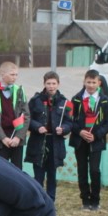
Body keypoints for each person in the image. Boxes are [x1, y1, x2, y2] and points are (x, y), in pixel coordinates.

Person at [68, 69, 108, 211]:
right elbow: (70, 120)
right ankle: (85, 200)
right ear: (84, 82)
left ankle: (95, 200)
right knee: (82, 170)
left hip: (96, 141)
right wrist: (79, 131)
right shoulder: (76, 99)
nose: (91, 85)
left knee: (94, 170)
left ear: (99, 83)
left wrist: (97, 135)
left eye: (94, 82)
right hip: (80, 140)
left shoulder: (104, 100)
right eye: (88, 82)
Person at [25, 71, 72, 201]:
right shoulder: (35, 101)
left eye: (54, 83)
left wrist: (63, 129)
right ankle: (39, 201)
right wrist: (37, 127)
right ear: (44, 84)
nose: (51, 86)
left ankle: (51, 201)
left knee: (52, 174)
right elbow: (27, 119)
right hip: (38, 141)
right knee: (38, 174)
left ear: (58, 84)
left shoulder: (64, 102)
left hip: (55, 142)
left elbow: (69, 122)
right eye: (48, 83)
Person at [0, 61, 29, 169]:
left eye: (16, 74)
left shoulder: (20, 91)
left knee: (17, 169)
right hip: (1, 138)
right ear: (2, 74)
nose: (14, 77)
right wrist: (3, 138)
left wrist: (18, 137)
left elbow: (26, 115)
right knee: (2, 169)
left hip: (16, 137)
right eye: (12, 74)